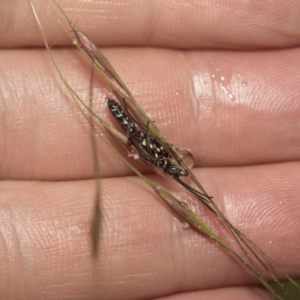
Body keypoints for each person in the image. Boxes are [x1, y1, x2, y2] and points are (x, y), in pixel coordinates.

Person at [0, 1, 299, 299]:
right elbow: (153, 153)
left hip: (137, 134)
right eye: (178, 168)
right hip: (132, 128)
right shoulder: (162, 159)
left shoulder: (163, 163)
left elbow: (161, 161)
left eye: (177, 169)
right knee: (133, 128)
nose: (179, 170)